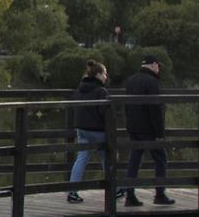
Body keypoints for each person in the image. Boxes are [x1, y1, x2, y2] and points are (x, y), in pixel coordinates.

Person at [122, 55, 173, 207]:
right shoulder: (152, 82)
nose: (159, 69)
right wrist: (159, 133)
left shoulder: (131, 80)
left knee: (134, 160)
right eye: (158, 66)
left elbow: (127, 105)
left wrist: (129, 125)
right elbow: (155, 109)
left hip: (133, 127)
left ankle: (129, 195)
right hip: (148, 129)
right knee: (161, 159)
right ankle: (160, 194)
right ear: (153, 65)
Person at [67, 60, 110, 204]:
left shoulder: (79, 89)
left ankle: (72, 192)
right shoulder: (100, 91)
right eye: (104, 73)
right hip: (97, 130)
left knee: (81, 158)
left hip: (81, 129)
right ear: (98, 74)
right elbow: (104, 113)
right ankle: (114, 190)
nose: (106, 76)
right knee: (107, 157)